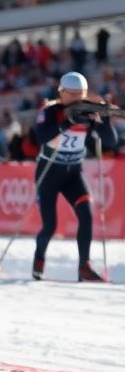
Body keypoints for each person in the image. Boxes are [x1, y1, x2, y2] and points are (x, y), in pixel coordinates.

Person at [30, 71, 118, 282]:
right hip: (49, 172)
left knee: (86, 214)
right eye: (73, 94)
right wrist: (68, 122)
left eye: (81, 94)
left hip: (73, 173)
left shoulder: (87, 111)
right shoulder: (50, 110)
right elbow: (41, 136)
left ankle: (84, 266)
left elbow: (110, 142)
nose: (78, 98)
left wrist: (104, 121)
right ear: (62, 92)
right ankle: (39, 258)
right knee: (50, 226)